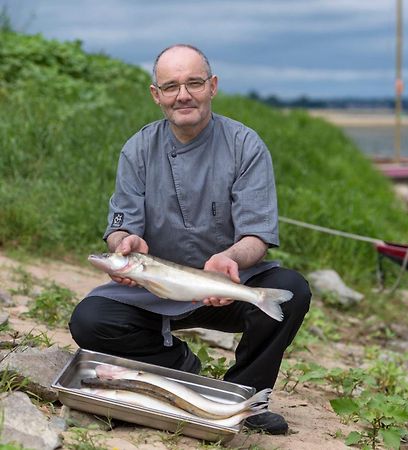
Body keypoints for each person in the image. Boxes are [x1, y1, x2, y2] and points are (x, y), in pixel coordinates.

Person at [69, 44, 311, 435]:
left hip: (228, 284)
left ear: (212, 86)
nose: (183, 95)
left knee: (291, 288)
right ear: (156, 95)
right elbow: (120, 225)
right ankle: (186, 372)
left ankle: (245, 393)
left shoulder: (245, 145)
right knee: (90, 319)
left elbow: (257, 236)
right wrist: (122, 243)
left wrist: (231, 259)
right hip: (155, 287)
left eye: (194, 83)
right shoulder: (137, 149)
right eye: (171, 86)